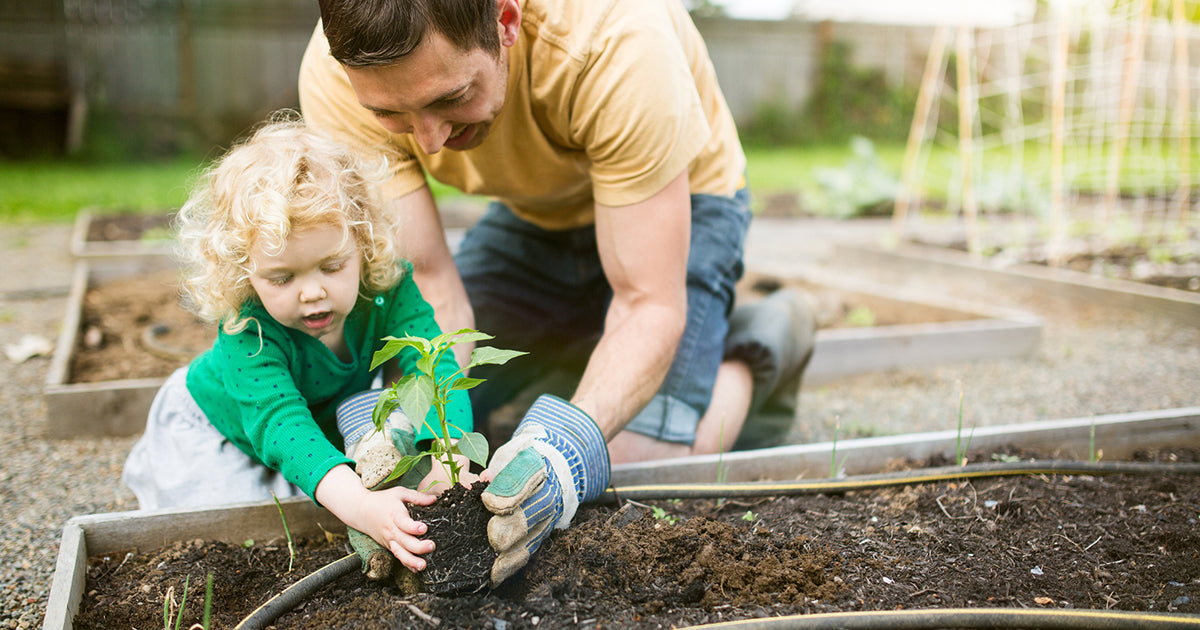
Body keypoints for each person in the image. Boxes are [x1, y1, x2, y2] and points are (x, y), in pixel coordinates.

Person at [298, 0, 816, 585]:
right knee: (459, 416)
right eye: (392, 114)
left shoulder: (615, 38)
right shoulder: (338, 75)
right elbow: (433, 287)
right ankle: (583, 352)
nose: (430, 138)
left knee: (642, 464)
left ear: (507, 22)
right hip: (536, 217)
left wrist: (563, 455)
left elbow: (647, 301)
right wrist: (411, 448)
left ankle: (766, 339)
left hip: (683, 204)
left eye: (450, 98)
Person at [121, 115, 474, 576]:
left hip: (312, 417)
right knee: (236, 534)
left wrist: (451, 459)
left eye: (331, 266)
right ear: (243, 269)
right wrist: (363, 509)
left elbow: (433, 365)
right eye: (282, 278)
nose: (312, 292)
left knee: (326, 495)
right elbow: (282, 425)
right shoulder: (248, 330)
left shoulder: (387, 286)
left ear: (362, 243)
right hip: (215, 431)